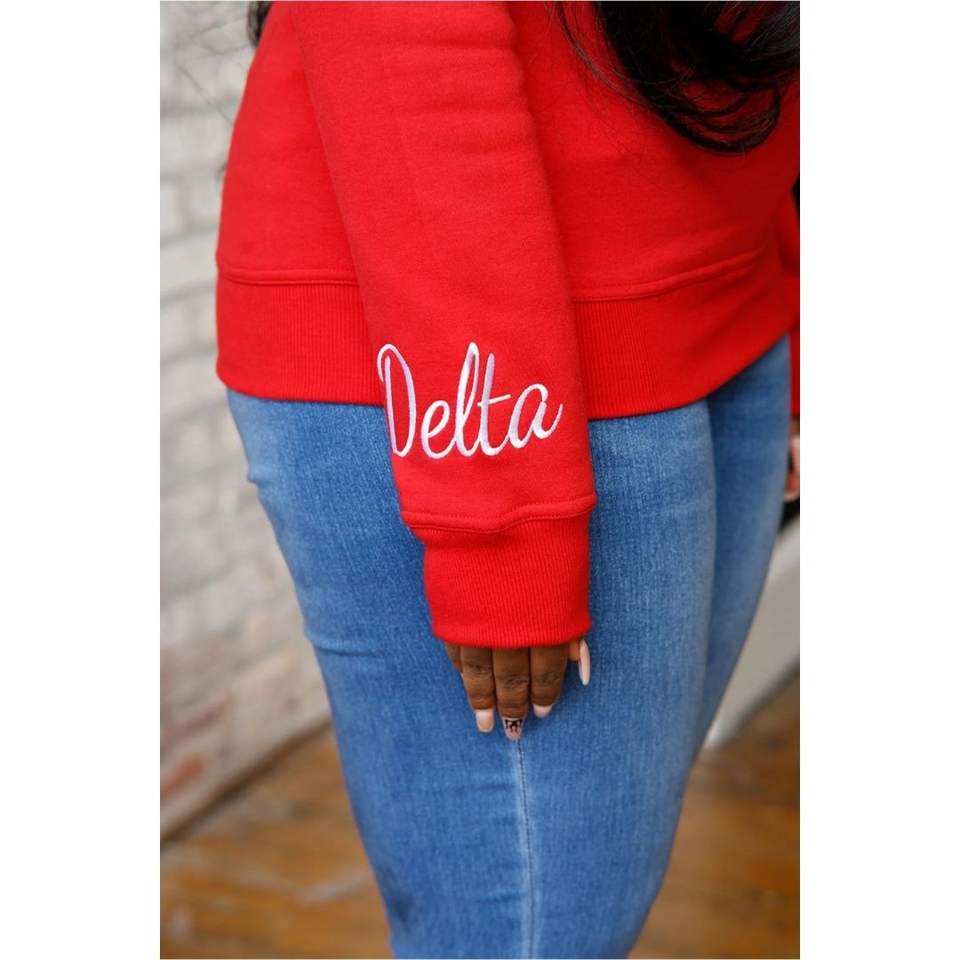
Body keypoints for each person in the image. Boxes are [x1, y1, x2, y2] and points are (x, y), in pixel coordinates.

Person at [216, 2, 800, 956]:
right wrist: (500, 518)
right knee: (534, 930)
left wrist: (791, 310)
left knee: (595, 894)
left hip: (727, 291)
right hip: (472, 347)